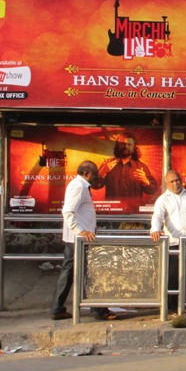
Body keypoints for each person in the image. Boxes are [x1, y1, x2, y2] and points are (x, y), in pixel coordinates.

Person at [150, 170, 186, 312]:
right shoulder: (163, 200)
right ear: (166, 184)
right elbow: (157, 217)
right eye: (172, 181)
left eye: (177, 180)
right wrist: (155, 229)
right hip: (174, 243)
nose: (175, 183)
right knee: (174, 275)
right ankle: (174, 306)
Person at [50, 160, 101, 321]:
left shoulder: (80, 185)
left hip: (77, 238)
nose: (96, 177)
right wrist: (81, 231)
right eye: (95, 174)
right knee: (88, 273)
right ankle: (98, 310)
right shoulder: (79, 187)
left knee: (71, 271)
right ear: (87, 173)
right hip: (78, 239)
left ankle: (57, 308)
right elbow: (68, 212)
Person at [97, 132, 159, 212]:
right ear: (117, 146)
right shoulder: (108, 164)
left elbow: (153, 190)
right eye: (122, 144)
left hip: (134, 214)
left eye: (129, 144)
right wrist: (102, 173)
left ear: (134, 148)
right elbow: (96, 185)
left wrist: (146, 181)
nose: (126, 146)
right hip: (112, 213)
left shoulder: (141, 166)